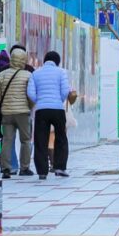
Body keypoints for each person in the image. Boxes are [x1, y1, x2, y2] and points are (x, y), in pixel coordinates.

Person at [28, 51, 75, 180]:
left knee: (40, 140)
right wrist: (58, 100)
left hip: (41, 110)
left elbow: (30, 93)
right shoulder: (61, 72)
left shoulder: (35, 73)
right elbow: (65, 90)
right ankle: (60, 167)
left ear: (45, 60)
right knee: (61, 138)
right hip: (57, 109)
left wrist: (40, 101)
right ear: (57, 61)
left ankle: (42, 172)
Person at [0, 45, 34, 179]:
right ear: (23, 59)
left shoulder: (2, 74)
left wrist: (2, 104)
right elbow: (32, 94)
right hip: (23, 113)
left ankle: (6, 169)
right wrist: (29, 106)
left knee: (7, 140)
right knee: (26, 140)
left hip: (7, 113)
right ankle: (24, 168)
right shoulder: (28, 75)